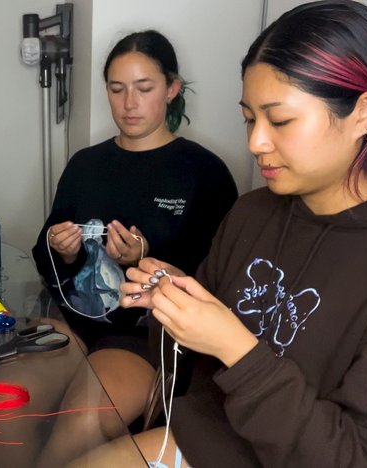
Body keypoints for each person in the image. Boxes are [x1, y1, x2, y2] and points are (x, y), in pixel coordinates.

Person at [66, 1, 367, 467]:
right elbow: (185, 372)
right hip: (199, 434)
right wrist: (174, 301)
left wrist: (234, 344)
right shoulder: (253, 213)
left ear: (364, 113)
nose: (255, 143)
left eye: (281, 120)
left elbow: (354, 457)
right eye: (249, 118)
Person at [31, 30, 237, 467]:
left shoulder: (204, 172)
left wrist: (144, 259)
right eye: (117, 89)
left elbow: (219, 282)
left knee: (80, 423)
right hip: (73, 322)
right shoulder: (85, 164)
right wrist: (63, 250)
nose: (129, 104)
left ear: (172, 89)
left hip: (143, 337)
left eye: (144, 89)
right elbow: (45, 254)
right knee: (7, 408)